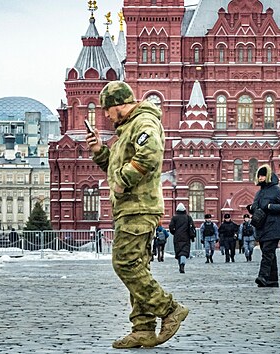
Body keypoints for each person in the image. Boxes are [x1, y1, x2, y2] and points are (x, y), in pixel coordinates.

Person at [86, 81, 187, 348]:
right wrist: (99, 152)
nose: (107, 116)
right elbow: (115, 166)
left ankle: (169, 309)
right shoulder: (127, 128)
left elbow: (150, 154)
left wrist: (124, 180)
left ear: (119, 104)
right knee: (137, 267)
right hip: (130, 208)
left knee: (125, 264)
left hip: (139, 207)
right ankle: (142, 328)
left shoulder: (144, 122)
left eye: (108, 110)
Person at [251, 165, 280, 288]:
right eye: (259, 175)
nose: (261, 178)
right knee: (270, 254)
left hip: (273, 226)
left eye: (263, 175)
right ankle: (272, 280)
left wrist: (270, 207)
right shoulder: (260, 192)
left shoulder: (276, 189)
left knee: (267, 253)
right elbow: (256, 206)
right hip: (262, 227)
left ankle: (263, 276)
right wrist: (252, 208)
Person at [169, 203, 196, 274]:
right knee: (184, 252)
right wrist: (192, 236)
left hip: (177, 237)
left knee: (178, 252)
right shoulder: (188, 217)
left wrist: (174, 232)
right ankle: (182, 265)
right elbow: (192, 227)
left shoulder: (174, 218)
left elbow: (171, 227)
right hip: (186, 237)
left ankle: (180, 265)